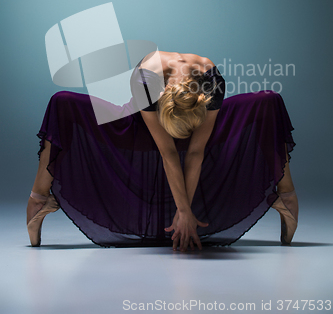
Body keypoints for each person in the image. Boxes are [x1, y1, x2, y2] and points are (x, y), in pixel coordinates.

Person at [26, 51, 298, 251]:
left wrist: (185, 213)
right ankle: (40, 198)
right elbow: (168, 152)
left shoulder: (211, 81)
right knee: (63, 103)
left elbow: (194, 151)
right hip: (140, 128)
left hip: (193, 118)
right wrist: (183, 211)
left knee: (267, 102)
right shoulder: (147, 81)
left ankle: (285, 194)